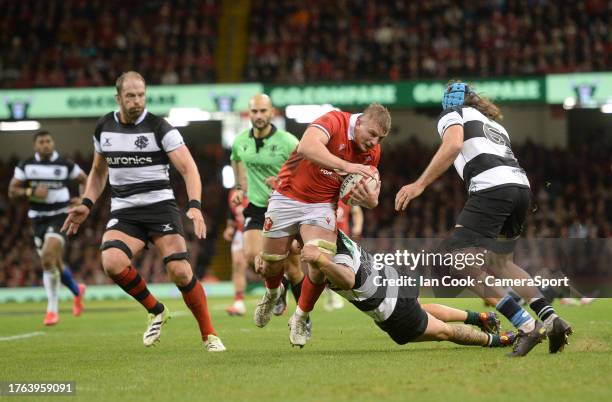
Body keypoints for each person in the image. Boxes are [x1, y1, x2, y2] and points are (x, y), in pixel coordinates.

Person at [394, 81, 572, 356]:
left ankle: (526, 326)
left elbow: (453, 145)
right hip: (520, 188)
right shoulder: (495, 124)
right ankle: (551, 319)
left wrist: (419, 184)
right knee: (501, 263)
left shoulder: (453, 114)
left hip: (492, 188)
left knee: (458, 261)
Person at [61, 71, 225, 352]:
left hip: (160, 208)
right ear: (118, 98)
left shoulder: (160, 128)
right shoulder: (103, 128)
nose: (137, 101)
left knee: (181, 273)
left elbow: (189, 168)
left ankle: (209, 334)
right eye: (130, 96)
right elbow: (99, 172)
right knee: (111, 262)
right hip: (125, 211)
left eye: (141, 95)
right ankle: (156, 309)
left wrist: (195, 206)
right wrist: (87, 204)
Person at [255, 104, 390, 347]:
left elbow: (363, 195)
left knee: (319, 262)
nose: (374, 142)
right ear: (358, 122)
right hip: (287, 195)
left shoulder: (373, 154)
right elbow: (307, 146)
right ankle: (273, 293)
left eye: (380, 138)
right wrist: (347, 165)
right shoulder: (334, 120)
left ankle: (301, 316)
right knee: (270, 265)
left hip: (321, 205)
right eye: (371, 134)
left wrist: (371, 200)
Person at [267, 231, 516, 349]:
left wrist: (318, 261)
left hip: (391, 310)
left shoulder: (322, 263)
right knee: (421, 309)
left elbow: (346, 281)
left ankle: (495, 340)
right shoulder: (333, 232)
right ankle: (480, 317)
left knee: (443, 332)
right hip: (395, 277)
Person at [230, 93, 304, 316]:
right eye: (254, 111)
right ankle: (277, 286)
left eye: (263, 111)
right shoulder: (240, 141)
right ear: (249, 113)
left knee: (293, 266)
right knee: (253, 258)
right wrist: (240, 188)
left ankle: (303, 315)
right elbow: (235, 159)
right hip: (256, 206)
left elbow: (307, 170)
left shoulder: (289, 142)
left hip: (285, 207)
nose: (259, 115)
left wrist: (284, 185)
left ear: (272, 112)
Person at [8, 130, 87, 325]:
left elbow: (84, 179)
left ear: (53, 143)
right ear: (35, 145)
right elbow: (12, 190)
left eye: (48, 141)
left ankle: (52, 311)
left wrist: (83, 199)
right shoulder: (26, 165)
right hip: (38, 219)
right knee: (55, 264)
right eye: (41, 142)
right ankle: (77, 291)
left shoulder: (64, 164)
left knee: (47, 258)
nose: (45, 145)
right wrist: (30, 190)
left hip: (61, 215)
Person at [324, 201, 364, 311]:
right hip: (325, 238)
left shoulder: (345, 196)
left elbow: (357, 211)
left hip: (342, 240)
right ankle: (334, 297)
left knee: (337, 268)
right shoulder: (323, 197)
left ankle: (337, 297)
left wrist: (358, 226)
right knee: (326, 268)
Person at [223, 189, 249, 316]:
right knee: (238, 264)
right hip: (240, 231)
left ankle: (277, 295)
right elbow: (231, 212)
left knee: (265, 266)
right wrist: (230, 226)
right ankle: (239, 303)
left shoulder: (258, 185)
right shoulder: (233, 191)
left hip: (259, 229)